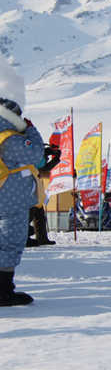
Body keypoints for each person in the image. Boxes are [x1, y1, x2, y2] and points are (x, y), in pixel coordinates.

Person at [0, 97, 46, 305]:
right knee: (11, 241)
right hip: (10, 199)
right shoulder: (8, 137)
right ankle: (4, 291)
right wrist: (31, 129)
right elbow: (36, 154)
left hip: (6, 195)